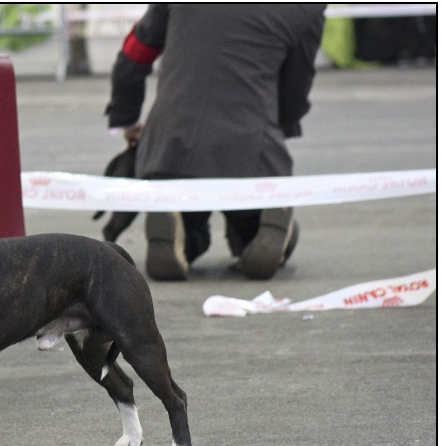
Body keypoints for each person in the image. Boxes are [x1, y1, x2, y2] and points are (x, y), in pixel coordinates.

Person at [106, 4, 326, 280]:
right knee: (249, 222)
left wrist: (125, 120)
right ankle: (261, 227)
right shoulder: (306, 8)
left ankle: (179, 227)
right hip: (252, 145)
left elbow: (134, 56)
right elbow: (296, 86)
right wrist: (279, 127)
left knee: (189, 220)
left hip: (171, 143)